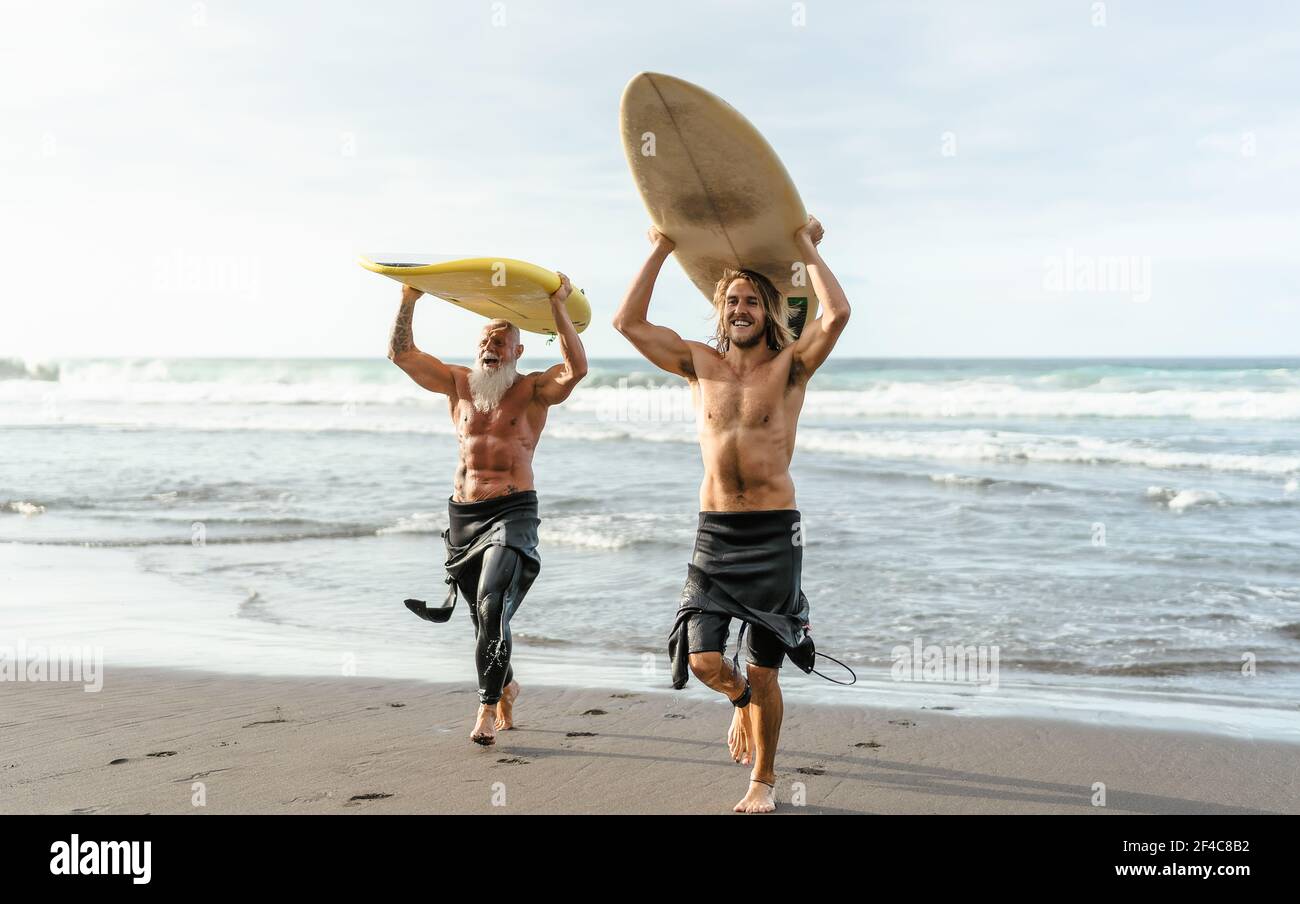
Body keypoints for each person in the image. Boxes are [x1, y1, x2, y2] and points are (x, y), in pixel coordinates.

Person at [613, 216, 850, 812]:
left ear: (768, 312)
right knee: (704, 660)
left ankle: (762, 781)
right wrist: (663, 248)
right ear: (721, 313)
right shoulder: (696, 363)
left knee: (769, 670)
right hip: (714, 534)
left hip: (773, 534)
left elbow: (838, 314)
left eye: (750, 300)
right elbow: (627, 323)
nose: (740, 308)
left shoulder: (792, 366)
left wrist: (804, 245)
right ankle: (739, 698)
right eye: (731, 301)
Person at [388, 273, 588, 745]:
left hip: (513, 512)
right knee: (483, 620)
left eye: (502, 341)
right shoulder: (456, 383)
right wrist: (408, 297)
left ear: (518, 351)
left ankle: (484, 707)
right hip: (463, 515)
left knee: (491, 603)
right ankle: (507, 684)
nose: (491, 346)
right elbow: (401, 354)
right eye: (486, 339)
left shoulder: (535, 390)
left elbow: (576, 368)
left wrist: (557, 304)